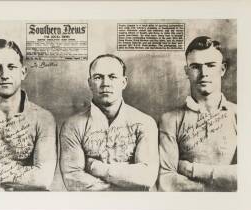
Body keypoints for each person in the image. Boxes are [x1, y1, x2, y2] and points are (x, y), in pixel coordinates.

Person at [60, 54, 159, 191]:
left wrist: (97, 168)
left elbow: (146, 177)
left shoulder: (145, 123)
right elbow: (72, 179)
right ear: (90, 83)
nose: (105, 83)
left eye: (112, 77)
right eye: (98, 77)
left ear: (123, 82)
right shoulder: (72, 126)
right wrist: (124, 183)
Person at [158, 36, 237, 191]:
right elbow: (166, 181)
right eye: (195, 66)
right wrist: (222, 185)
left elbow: (248, 177)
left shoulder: (240, 115)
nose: (203, 73)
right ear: (186, 71)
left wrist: (190, 170)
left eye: (210, 65)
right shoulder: (170, 120)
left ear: (222, 69)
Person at [0, 39, 57, 191]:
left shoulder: (43, 118)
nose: (4, 74)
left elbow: (43, 178)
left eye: (11, 67)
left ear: (23, 72)